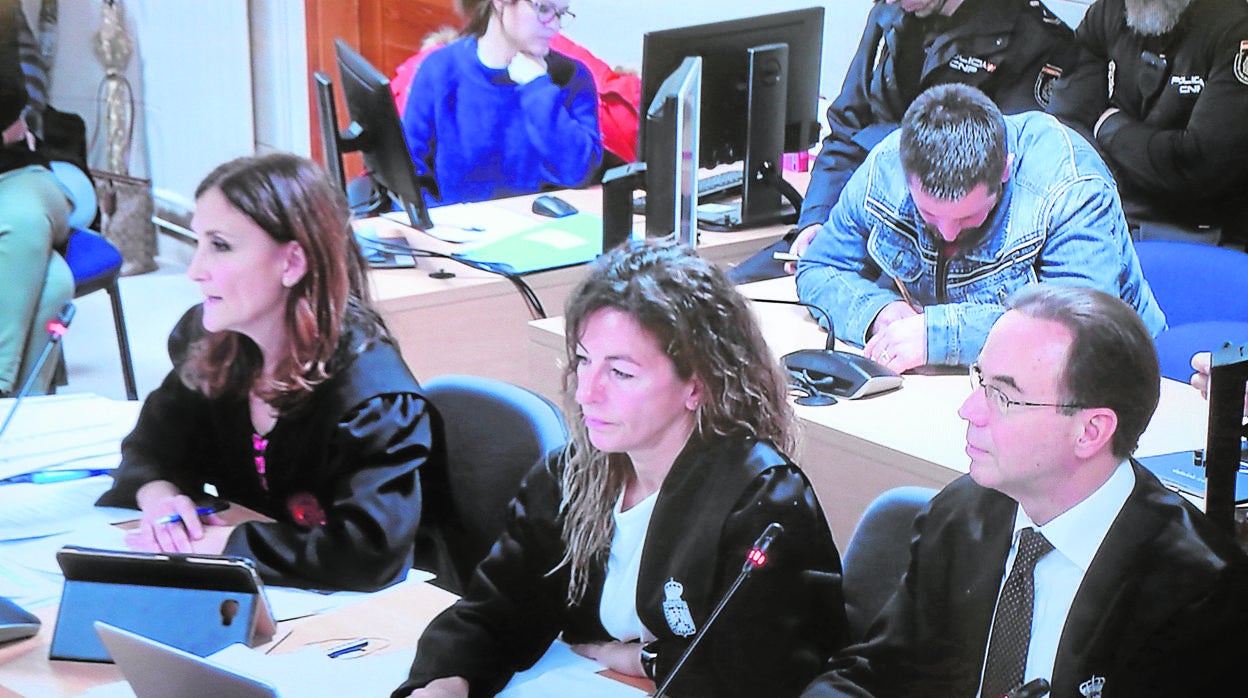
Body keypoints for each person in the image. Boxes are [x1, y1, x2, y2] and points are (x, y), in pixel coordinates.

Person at [393, 240, 847, 698]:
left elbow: (756, 676)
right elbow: (495, 609)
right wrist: (444, 684)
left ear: (698, 384)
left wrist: (647, 660)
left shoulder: (762, 503)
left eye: (621, 373)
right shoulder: (577, 474)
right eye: (585, 361)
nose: (587, 392)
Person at [802, 284, 1248, 698]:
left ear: (1091, 431)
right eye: (980, 380)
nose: (968, 410)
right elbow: (877, 674)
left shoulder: (1196, 590)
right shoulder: (961, 516)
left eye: (1003, 396)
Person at [97, 153, 441, 592]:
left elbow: (366, 551)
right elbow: (150, 449)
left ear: (292, 263)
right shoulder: (213, 343)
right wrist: (160, 496)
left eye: (219, 246)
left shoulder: (371, 399)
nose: (194, 270)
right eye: (197, 242)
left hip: (371, 619)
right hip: (270, 593)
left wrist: (224, 545)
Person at [796, 83, 1166, 374]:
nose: (948, 233)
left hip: (1115, 386)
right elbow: (819, 267)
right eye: (928, 213)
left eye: (967, 217)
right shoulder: (887, 165)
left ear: (1004, 170)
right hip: (969, 385)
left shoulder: (1070, 186)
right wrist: (880, 313)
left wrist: (937, 334)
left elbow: (1077, 331)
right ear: (907, 177)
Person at [730, 0, 1079, 283]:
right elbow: (846, 134)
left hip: (946, 253)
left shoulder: (1031, 40)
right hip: (856, 224)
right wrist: (817, 221)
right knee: (731, 295)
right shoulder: (889, 16)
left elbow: (995, 185)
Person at [1046, 0, 1248, 246]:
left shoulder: (1235, 28)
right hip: (1109, 211)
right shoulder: (1107, 12)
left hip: (1202, 232)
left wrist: (1109, 127)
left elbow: (1200, 166)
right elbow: (1064, 129)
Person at [401, 0, 603, 207]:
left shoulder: (574, 78)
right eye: (543, 9)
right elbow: (408, 178)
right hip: (454, 230)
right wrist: (439, 228)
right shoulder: (440, 69)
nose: (554, 26)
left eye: (560, 14)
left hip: (542, 231)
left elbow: (578, 173)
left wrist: (537, 88)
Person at [0, 0, 73, 397]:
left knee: (25, 222)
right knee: (54, 283)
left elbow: (11, 101)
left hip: (21, 174)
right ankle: (19, 430)